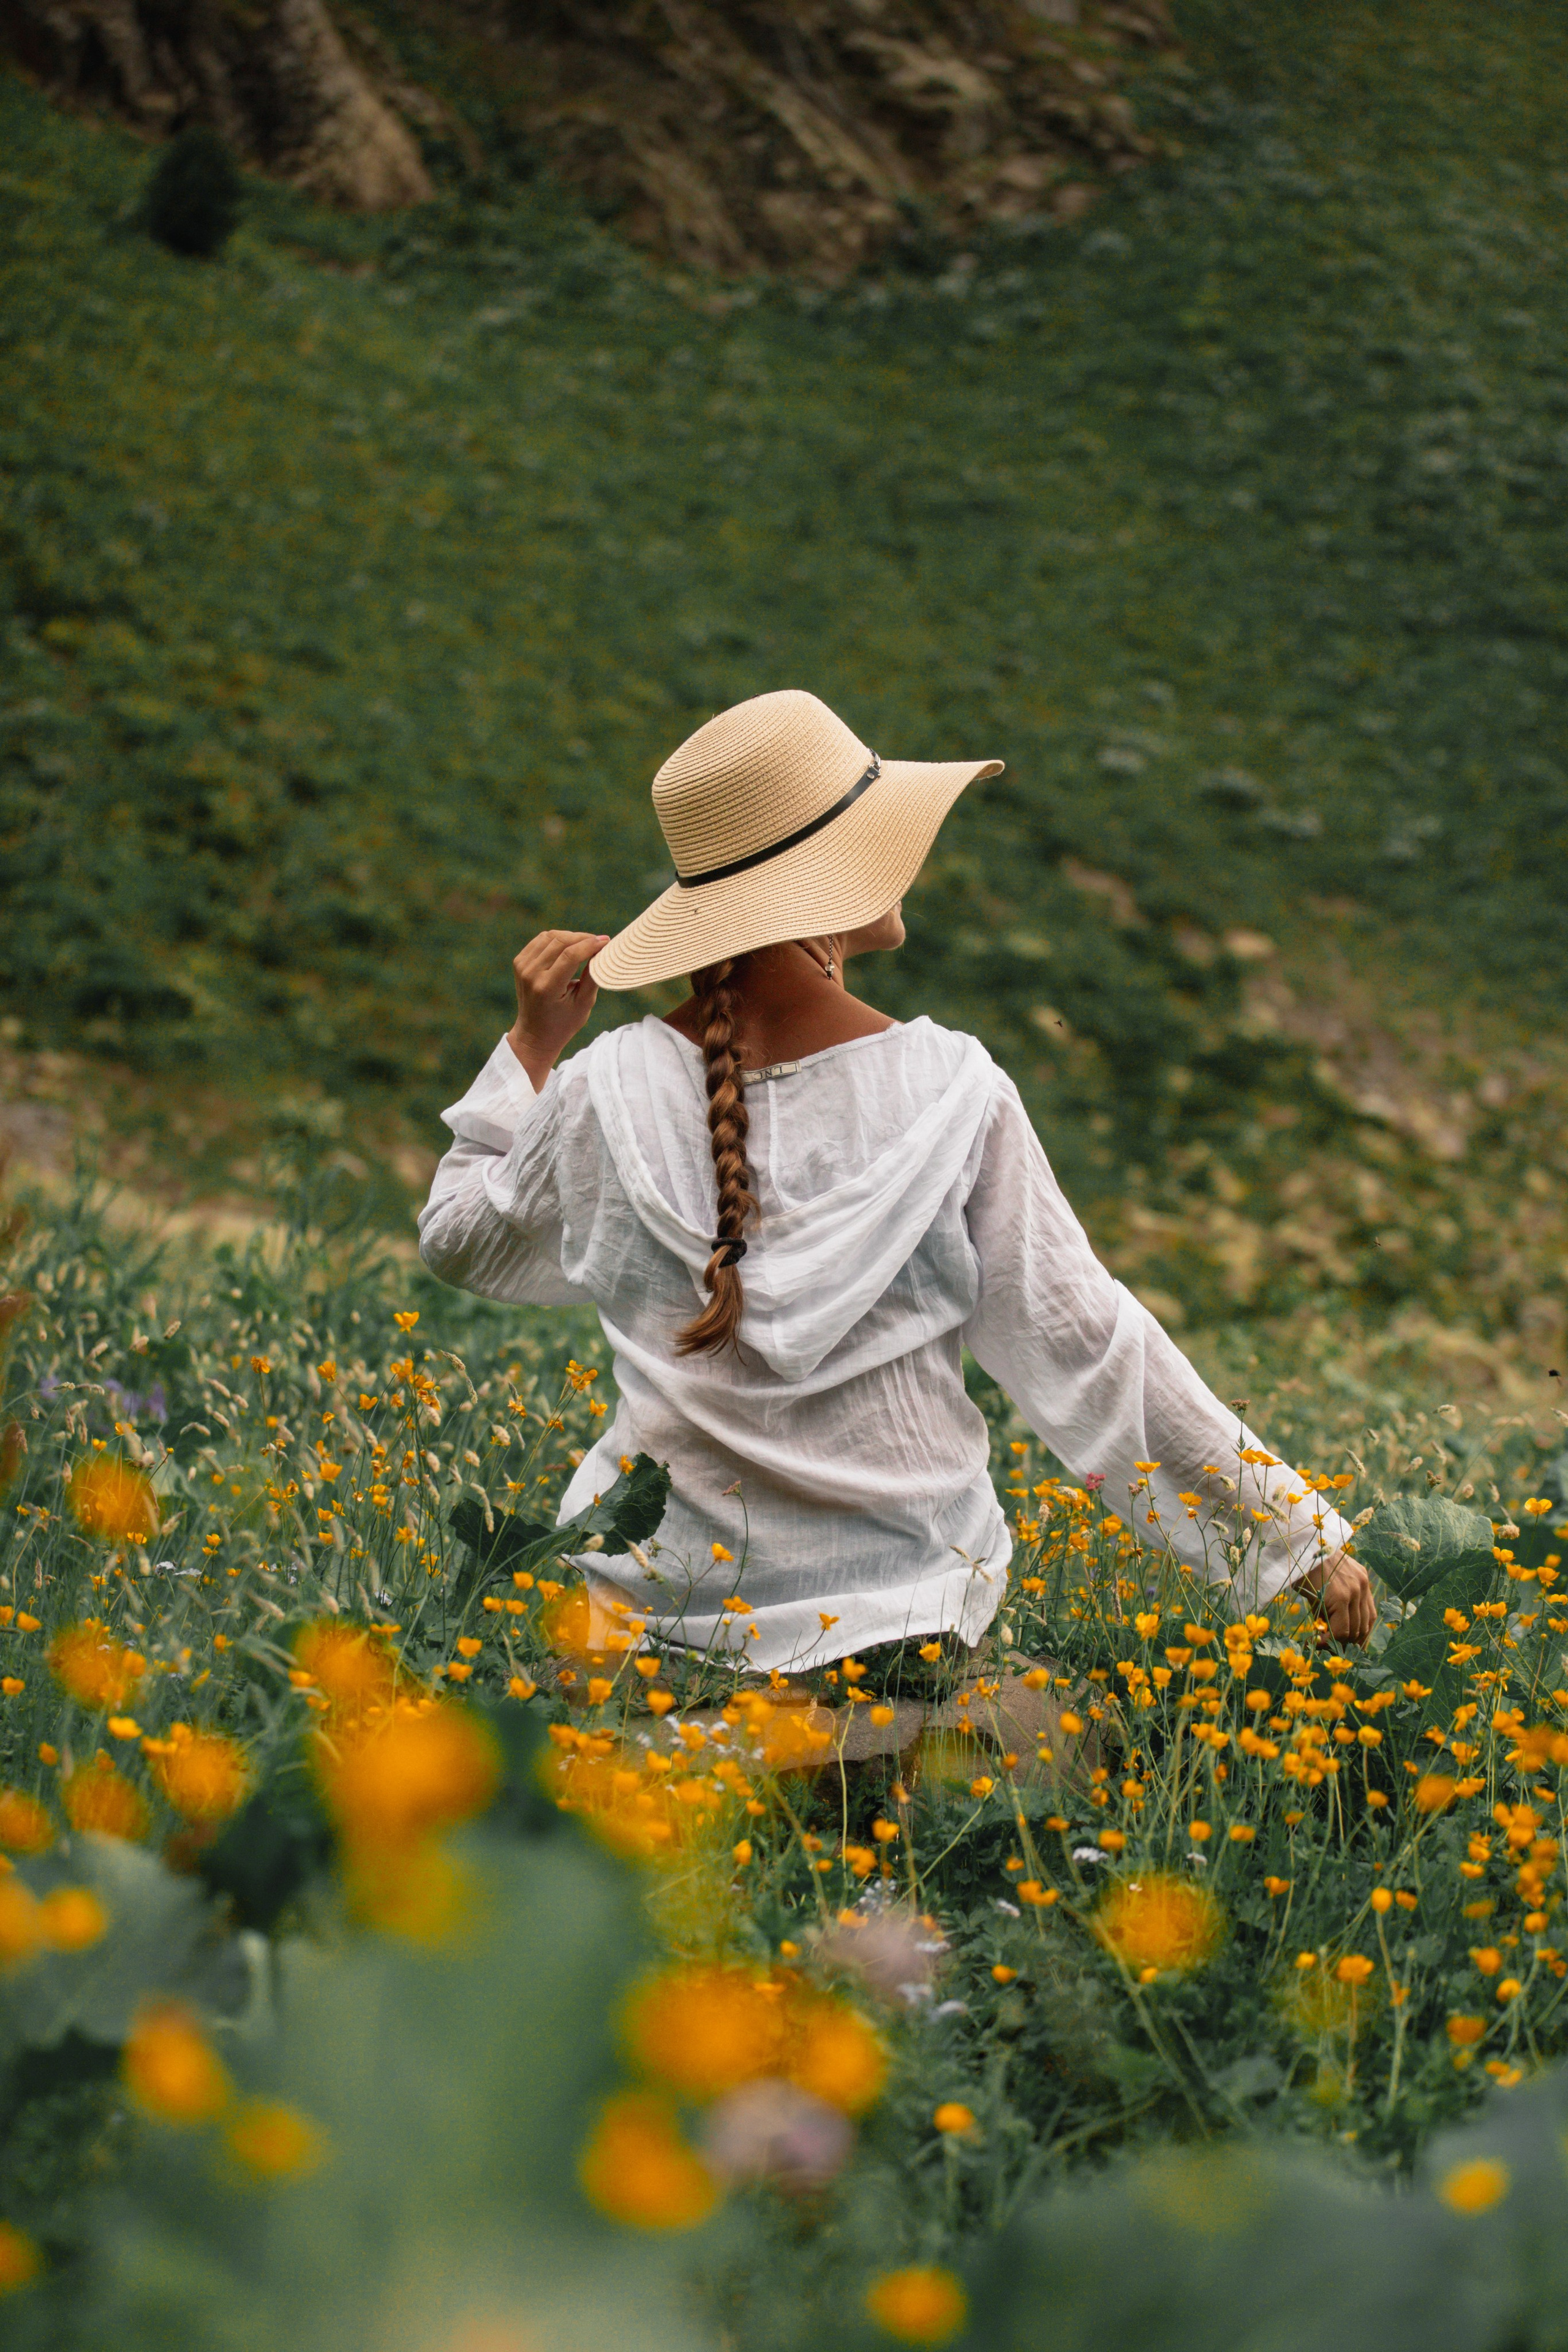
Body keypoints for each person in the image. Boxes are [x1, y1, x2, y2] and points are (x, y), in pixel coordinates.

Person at [418, 688, 1374, 1675]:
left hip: (650, 1614)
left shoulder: (600, 1089)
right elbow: (1087, 1347)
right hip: (901, 1620)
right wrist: (1292, 1540)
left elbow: (460, 1239)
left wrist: (533, 1048)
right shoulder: (952, 1089)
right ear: (829, 876)